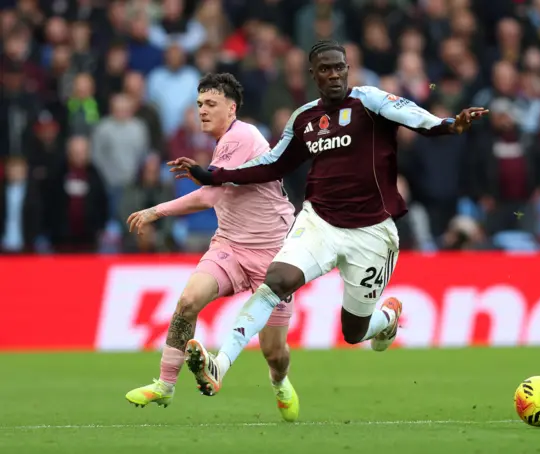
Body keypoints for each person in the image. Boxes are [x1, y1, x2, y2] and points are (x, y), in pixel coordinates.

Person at [170, 40, 488, 397]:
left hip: (372, 233)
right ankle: (220, 364)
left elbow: (415, 117)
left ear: (347, 69)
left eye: (339, 67)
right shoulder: (304, 119)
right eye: (325, 69)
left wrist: (449, 125)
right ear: (313, 75)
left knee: (353, 332)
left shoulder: (370, 102)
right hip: (319, 223)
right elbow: (272, 162)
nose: (334, 74)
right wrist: (213, 175)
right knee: (276, 280)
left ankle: (386, 319)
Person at [124, 73, 300, 422]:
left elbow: (211, 194)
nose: (202, 110)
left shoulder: (243, 135)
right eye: (199, 104)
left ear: (231, 108)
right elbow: (215, 186)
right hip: (230, 245)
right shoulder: (223, 144)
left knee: (274, 352)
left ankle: (280, 384)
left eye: (211, 104)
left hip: (274, 255)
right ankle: (165, 384)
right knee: (188, 301)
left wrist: (154, 211)